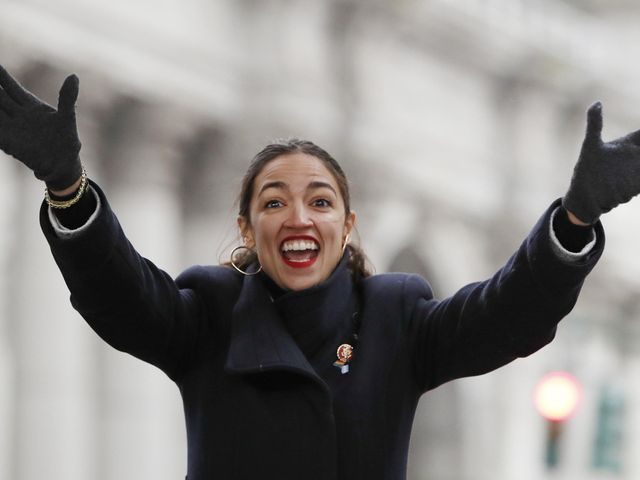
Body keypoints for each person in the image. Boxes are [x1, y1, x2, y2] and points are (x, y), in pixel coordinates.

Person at [0, 64, 639, 480]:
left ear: (347, 226)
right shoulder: (208, 316)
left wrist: (574, 219)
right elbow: (119, 292)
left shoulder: (398, 322)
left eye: (321, 201)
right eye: (273, 202)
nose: (298, 216)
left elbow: (508, 312)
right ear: (249, 230)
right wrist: (67, 186)